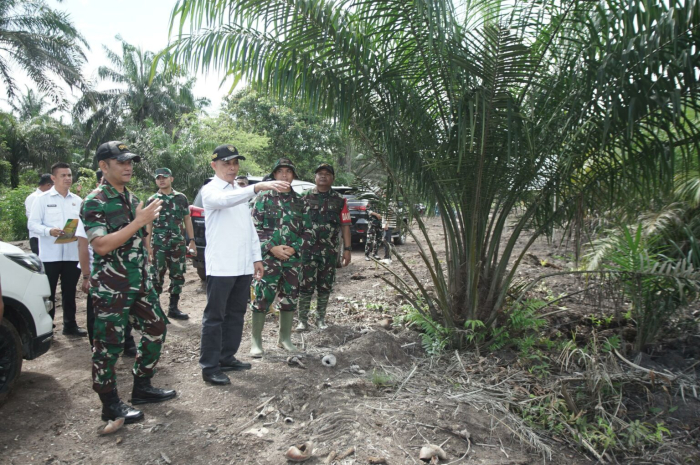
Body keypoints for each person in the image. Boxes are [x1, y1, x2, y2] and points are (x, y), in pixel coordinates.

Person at [81, 141, 175, 424]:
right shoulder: (94, 201)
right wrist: (138, 221)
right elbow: (100, 246)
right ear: (103, 166)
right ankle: (109, 404)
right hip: (111, 286)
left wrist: (147, 259)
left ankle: (142, 387)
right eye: (121, 162)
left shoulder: (132, 199)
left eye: (130, 162)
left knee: (157, 328)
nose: (128, 167)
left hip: (139, 282)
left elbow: (140, 238)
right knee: (109, 346)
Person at [199, 144, 289, 385]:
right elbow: (224, 201)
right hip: (221, 266)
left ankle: (226, 357)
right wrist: (256, 187)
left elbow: (249, 229)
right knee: (215, 317)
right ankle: (209, 366)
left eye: (235, 163)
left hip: (242, 265)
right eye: (226, 163)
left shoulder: (238, 192)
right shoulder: (211, 191)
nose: (232, 168)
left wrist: (256, 258)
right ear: (214, 165)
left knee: (236, 313)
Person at [249, 158, 310, 356]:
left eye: (288, 171)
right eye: (280, 171)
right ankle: (256, 342)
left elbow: (308, 231)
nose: (284, 175)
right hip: (268, 259)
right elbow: (253, 228)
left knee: (290, 297)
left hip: (293, 259)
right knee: (262, 296)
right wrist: (271, 247)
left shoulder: (300, 201)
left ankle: (285, 339)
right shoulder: (263, 197)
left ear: (293, 175)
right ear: (274, 175)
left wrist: (294, 248)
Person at [78, 170, 137, 356]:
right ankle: (96, 347)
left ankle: (127, 342)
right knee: (98, 316)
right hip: (101, 274)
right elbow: (83, 246)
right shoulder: (92, 204)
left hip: (126, 273)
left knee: (125, 313)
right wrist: (86, 275)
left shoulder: (129, 200)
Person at [28, 162, 87, 336]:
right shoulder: (42, 199)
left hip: (72, 254)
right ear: (53, 178)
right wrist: (49, 231)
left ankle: (70, 325)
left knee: (70, 291)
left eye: (69, 175)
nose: (67, 178)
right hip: (49, 255)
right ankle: (48, 328)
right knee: (49, 293)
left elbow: (84, 225)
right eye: (63, 175)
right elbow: (32, 224)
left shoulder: (78, 201)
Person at [296, 163, 352, 331]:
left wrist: (347, 250)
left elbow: (345, 225)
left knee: (325, 286)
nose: (323, 176)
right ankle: (302, 320)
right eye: (320, 173)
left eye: (327, 174)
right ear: (315, 177)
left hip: (329, 252)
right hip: (306, 251)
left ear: (332, 178)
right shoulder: (303, 197)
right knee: (305, 285)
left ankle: (320, 319)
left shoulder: (340, 200)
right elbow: (295, 222)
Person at [145, 168, 195, 320]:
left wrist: (192, 240)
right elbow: (148, 224)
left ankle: (173, 308)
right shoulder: (152, 200)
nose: (161, 180)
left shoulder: (181, 198)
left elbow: (187, 219)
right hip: (158, 245)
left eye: (164, 177)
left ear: (171, 179)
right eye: (158, 178)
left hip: (177, 244)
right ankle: (155, 310)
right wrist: (147, 246)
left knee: (177, 276)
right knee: (156, 276)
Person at [25, 173, 53, 255]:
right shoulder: (33, 197)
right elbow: (32, 219)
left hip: (49, 236)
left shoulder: (49, 197)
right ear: (48, 185)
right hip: (37, 236)